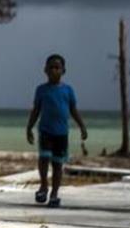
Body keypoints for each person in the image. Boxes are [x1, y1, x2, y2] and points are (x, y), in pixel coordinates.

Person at [26, 54, 89, 208]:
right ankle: (43, 187)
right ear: (45, 70)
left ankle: (54, 193)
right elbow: (36, 110)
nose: (54, 70)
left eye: (57, 67)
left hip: (61, 133)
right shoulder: (41, 90)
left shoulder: (68, 90)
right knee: (44, 158)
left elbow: (73, 110)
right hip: (45, 131)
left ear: (63, 70)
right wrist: (29, 128)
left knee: (57, 164)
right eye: (51, 67)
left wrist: (82, 126)